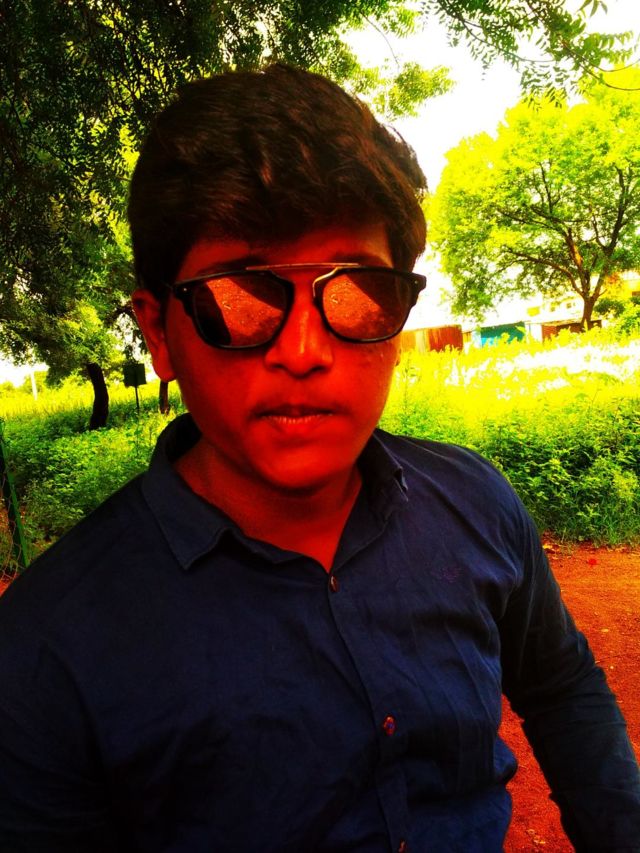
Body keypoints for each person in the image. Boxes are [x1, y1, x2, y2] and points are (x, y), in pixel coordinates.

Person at [0, 64, 638, 853]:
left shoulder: (476, 503)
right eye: (242, 297)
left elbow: (562, 684)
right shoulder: (44, 654)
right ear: (160, 332)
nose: (304, 351)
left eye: (357, 292)